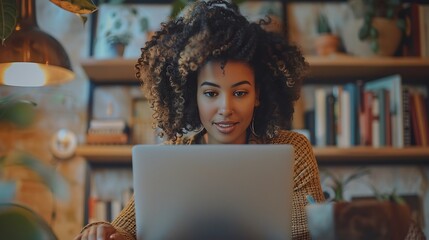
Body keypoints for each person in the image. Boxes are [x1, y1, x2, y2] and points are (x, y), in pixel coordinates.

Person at [75, 1, 325, 239]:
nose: (226, 108)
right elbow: (125, 230)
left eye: (240, 93)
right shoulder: (170, 158)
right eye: (210, 93)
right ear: (193, 96)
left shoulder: (293, 152)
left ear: (258, 95)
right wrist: (100, 230)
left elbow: (312, 230)